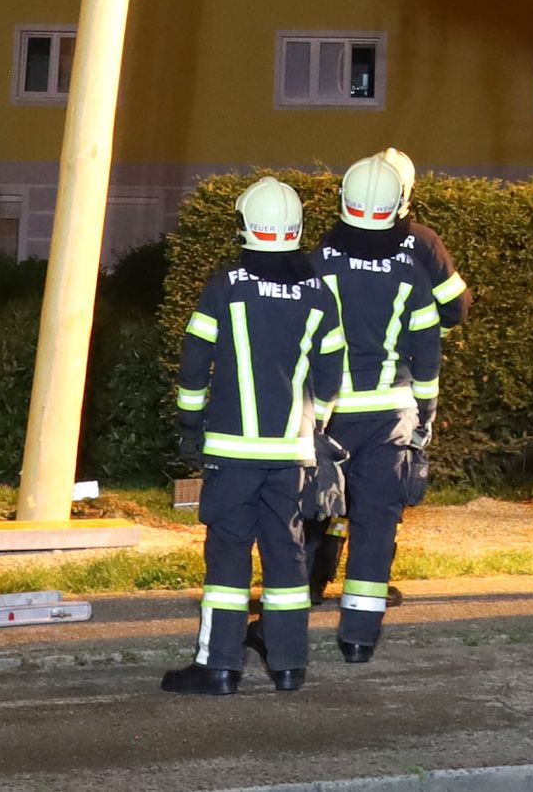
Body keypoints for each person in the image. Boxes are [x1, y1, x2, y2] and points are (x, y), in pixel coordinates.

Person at [166, 176, 347, 695]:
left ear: (246, 226)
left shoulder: (227, 285)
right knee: (287, 553)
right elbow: (330, 372)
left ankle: (219, 667)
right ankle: (288, 665)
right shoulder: (319, 292)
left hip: (231, 452)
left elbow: (195, 358)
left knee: (228, 553)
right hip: (292, 454)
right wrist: (316, 426)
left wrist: (188, 421)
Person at [300, 153, 447, 660]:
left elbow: (296, 343)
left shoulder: (316, 263)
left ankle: (288, 621)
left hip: (328, 414)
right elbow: (427, 351)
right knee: (376, 524)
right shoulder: (411, 269)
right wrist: (425, 415)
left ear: (343, 200)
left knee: (309, 511)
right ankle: (359, 639)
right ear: (399, 204)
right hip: (391, 415)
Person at [374, 145, 473, 338]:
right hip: (407, 355)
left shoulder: (336, 240)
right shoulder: (424, 241)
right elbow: (456, 304)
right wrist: (426, 338)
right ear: (409, 193)